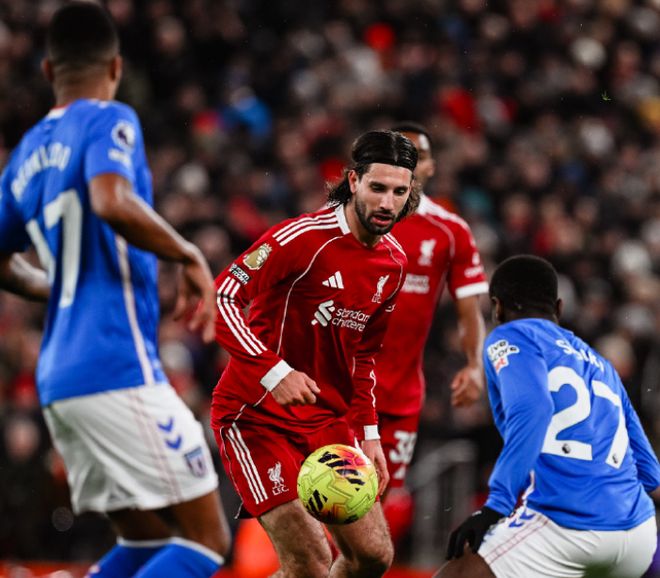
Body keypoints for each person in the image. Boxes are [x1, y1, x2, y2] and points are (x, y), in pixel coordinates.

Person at [0, 3, 231, 577]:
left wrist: (59, 287)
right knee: (206, 541)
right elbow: (110, 199)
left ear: (48, 70)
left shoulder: (25, 155)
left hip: (58, 379)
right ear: (116, 67)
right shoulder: (108, 118)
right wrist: (187, 251)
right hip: (115, 364)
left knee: (147, 540)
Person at [211, 129, 418, 577]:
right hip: (257, 417)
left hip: (328, 422)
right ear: (353, 181)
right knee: (309, 564)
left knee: (373, 556)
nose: (387, 203)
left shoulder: (394, 263)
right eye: (377, 188)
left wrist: (369, 432)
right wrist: (273, 372)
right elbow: (222, 297)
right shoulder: (303, 237)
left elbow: (364, 356)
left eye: (399, 192)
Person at [437, 255, 660, 578]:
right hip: (638, 536)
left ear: (497, 307)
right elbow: (649, 471)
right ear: (559, 307)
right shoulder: (601, 364)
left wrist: (496, 504)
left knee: (455, 575)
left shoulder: (509, 336)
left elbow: (533, 408)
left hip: (568, 526)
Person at [375, 123, 487, 496]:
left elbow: (469, 310)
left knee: (381, 499)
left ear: (430, 167)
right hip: (341, 387)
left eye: (417, 156)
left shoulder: (449, 231)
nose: (408, 164)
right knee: (330, 494)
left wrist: (474, 365)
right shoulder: (349, 220)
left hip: (401, 393)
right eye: (398, 155)